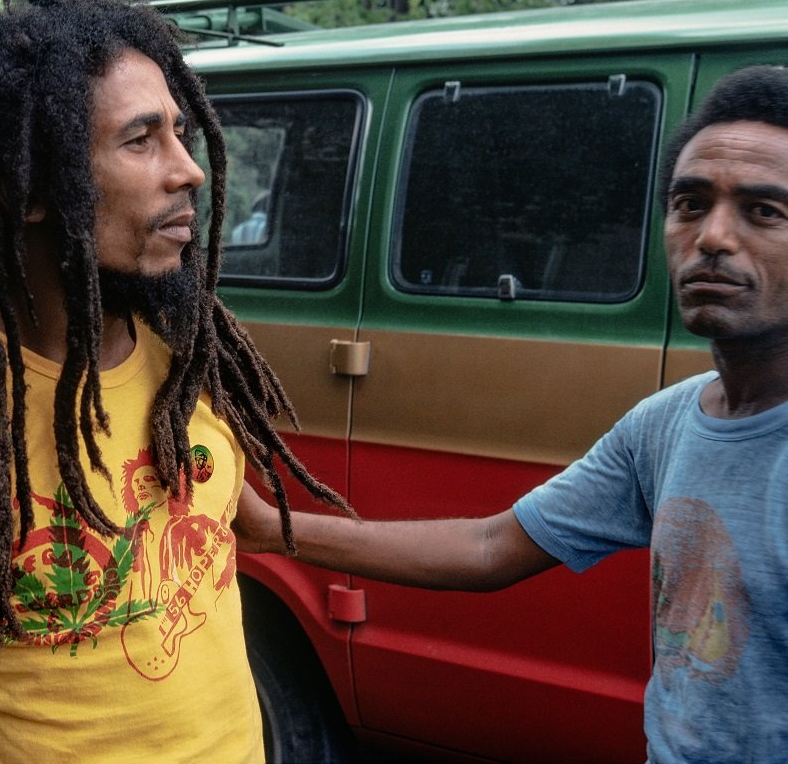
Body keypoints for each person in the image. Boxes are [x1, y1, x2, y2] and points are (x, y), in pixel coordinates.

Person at [0, 0, 350, 763]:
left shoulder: (181, 371)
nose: (189, 171)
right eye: (141, 140)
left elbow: (252, 526)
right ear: (27, 189)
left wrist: (521, 539)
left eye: (181, 133)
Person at [235, 64, 788, 763]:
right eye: (689, 203)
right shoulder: (667, 423)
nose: (712, 236)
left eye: (763, 211)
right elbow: (491, 548)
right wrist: (268, 528)